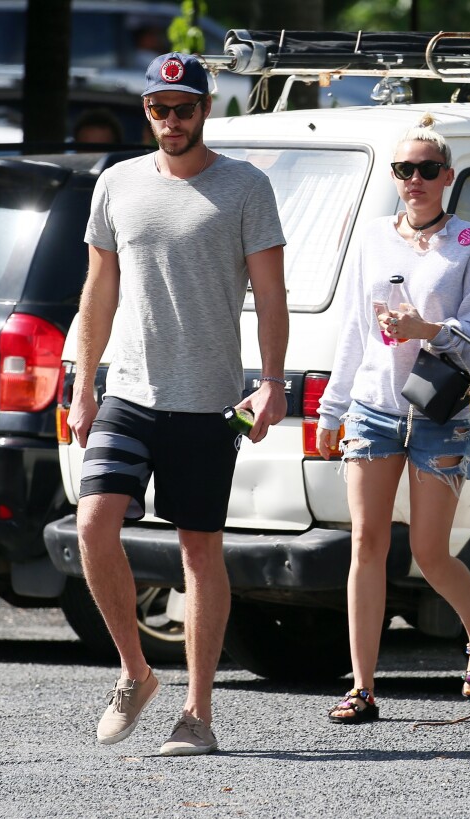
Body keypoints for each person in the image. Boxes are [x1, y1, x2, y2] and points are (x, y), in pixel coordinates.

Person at [68, 52, 288, 755]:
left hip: (207, 400)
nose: (171, 120)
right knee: (94, 523)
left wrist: (273, 379)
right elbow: (98, 291)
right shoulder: (117, 183)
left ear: (206, 108)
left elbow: (272, 295)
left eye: (184, 108)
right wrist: (82, 383)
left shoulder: (245, 186)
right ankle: (136, 672)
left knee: (200, 550)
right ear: (147, 112)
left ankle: (197, 712)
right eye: (160, 109)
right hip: (129, 390)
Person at [317, 113, 470, 725]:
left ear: (448, 176)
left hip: (439, 412)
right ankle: (363, 688)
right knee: (367, 544)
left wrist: (428, 330)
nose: (416, 179)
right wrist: (332, 407)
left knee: (429, 553)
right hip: (373, 410)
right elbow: (351, 327)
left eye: (427, 169)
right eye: (405, 170)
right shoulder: (373, 238)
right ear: (395, 177)